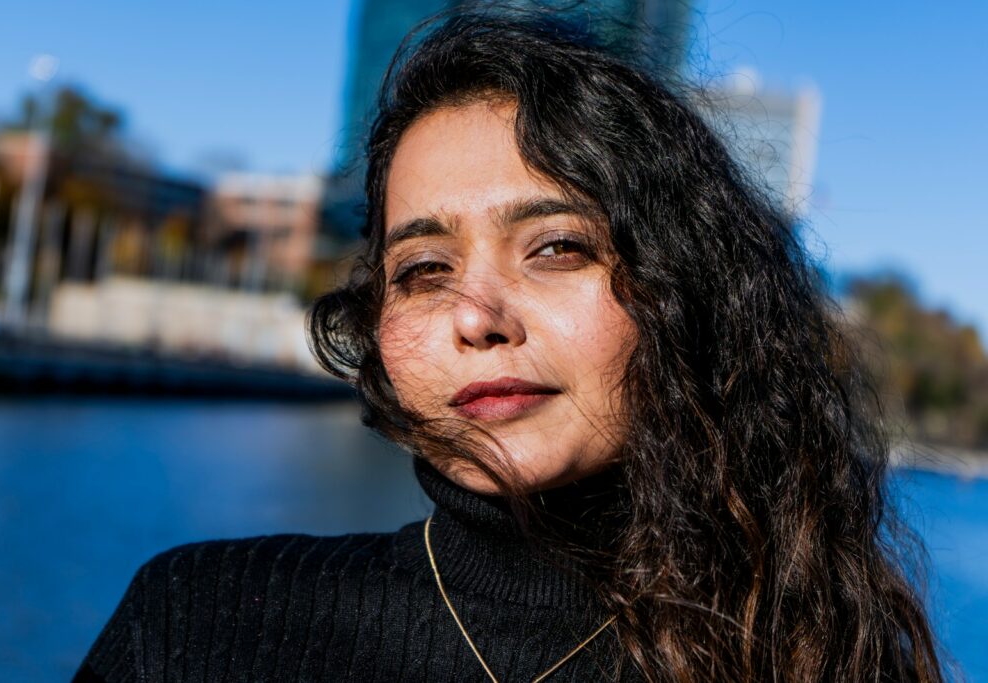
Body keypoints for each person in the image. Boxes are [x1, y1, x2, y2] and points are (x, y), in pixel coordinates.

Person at [75, 11, 945, 682]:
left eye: (556, 247)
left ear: (687, 290)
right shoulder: (197, 629)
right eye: (423, 267)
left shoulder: (822, 653)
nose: (476, 314)